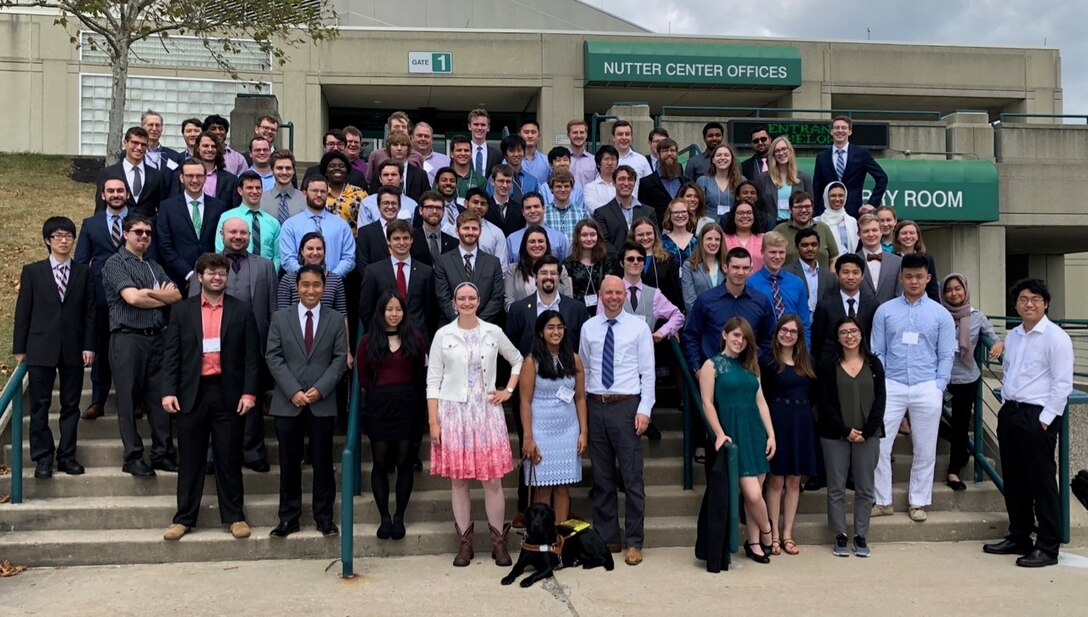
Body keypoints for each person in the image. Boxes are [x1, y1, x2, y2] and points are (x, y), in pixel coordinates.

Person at [160, 253, 260, 541]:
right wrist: (168, 391)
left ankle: (234, 516)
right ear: (200, 277)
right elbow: (172, 356)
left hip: (228, 392)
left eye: (222, 274)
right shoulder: (182, 311)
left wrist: (250, 392)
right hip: (192, 392)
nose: (217, 278)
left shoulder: (241, 311)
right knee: (190, 458)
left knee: (228, 457)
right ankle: (183, 518)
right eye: (212, 273)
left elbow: (252, 357)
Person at [427, 281, 523, 567]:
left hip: (486, 412)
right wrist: (433, 421)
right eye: (461, 298)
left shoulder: (492, 331)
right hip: (453, 414)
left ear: (478, 301)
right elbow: (433, 380)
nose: (467, 302)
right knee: (459, 482)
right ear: (453, 302)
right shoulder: (443, 335)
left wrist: (508, 390)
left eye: (471, 298)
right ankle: (465, 543)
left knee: (492, 480)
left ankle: (498, 542)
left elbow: (517, 359)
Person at [982, 279, 1073, 568]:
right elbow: (1010, 372)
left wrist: (1045, 421)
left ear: (1045, 303)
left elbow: (1062, 384)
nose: (1029, 303)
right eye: (1023, 299)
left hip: (1038, 416)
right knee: (1015, 479)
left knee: (1042, 482)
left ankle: (1048, 546)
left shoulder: (1056, 337)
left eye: (1035, 299)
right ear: (1015, 304)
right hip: (1011, 412)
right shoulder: (1014, 335)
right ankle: (1019, 535)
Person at [870, 253, 956, 522]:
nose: (914, 281)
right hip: (892, 384)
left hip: (926, 385)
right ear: (901, 278)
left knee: (925, 447)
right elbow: (877, 350)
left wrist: (939, 385)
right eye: (909, 276)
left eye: (919, 276)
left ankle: (918, 501)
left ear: (928, 278)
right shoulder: (885, 311)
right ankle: (882, 500)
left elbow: (946, 354)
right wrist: (882, 382)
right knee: (880, 445)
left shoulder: (940, 314)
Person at [265, 265, 349, 538]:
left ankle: (324, 517)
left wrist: (320, 389)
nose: (311, 290)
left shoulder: (336, 319)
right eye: (305, 285)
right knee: (289, 463)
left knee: (323, 462)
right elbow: (273, 357)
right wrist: (293, 390)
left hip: (321, 401)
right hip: (288, 402)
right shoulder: (280, 317)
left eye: (316, 285)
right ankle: (289, 518)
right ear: (296, 287)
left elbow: (339, 359)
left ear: (324, 288)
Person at [579, 275, 656, 567]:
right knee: (601, 478)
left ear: (625, 295)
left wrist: (645, 409)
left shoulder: (639, 327)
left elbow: (647, 373)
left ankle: (634, 542)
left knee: (632, 478)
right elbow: (584, 368)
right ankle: (607, 537)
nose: (613, 297)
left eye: (618, 292)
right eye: (607, 292)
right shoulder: (589, 327)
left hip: (626, 406)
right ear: (600, 295)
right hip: (597, 405)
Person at [13, 217, 95, 479]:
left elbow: (90, 313)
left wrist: (89, 345)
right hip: (40, 346)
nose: (63, 240)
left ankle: (67, 456)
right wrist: (19, 348)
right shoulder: (33, 271)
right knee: (40, 405)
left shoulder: (84, 272)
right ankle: (43, 458)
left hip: (73, 347)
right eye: (58, 236)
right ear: (48, 240)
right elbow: (23, 311)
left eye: (68, 236)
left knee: (71, 405)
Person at [101, 214, 182, 476]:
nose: (144, 236)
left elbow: (177, 295)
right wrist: (160, 296)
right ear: (126, 234)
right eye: (138, 232)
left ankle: (162, 452)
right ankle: (132, 456)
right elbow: (133, 298)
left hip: (157, 337)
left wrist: (150, 294)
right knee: (127, 398)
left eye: (148, 232)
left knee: (160, 398)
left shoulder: (153, 266)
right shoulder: (114, 264)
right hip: (128, 337)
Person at [697, 317, 776, 565]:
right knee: (752, 494)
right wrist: (719, 433)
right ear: (724, 334)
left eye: (744, 337)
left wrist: (771, 434)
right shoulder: (711, 365)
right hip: (733, 432)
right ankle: (768, 532)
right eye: (735, 335)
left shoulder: (751, 365)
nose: (740, 341)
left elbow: (761, 401)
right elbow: (707, 403)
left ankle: (754, 543)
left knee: (757, 494)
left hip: (755, 432)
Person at [201, 218, 278, 472]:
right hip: (212, 346)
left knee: (250, 397)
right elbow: (193, 305)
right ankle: (213, 453)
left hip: (252, 344)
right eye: (232, 232)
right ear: (221, 233)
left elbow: (272, 309)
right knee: (212, 400)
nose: (238, 236)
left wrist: (270, 346)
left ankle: (252, 450)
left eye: (243, 232)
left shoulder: (265, 266)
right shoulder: (206, 266)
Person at [358, 291, 427, 541]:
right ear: (381, 312)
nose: (394, 314)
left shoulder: (415, 338)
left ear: (404, 312)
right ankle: (384, 517)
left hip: (408, 403)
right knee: (380, 462)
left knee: (404, 462)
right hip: (380, 404)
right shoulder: (368, 340)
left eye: (398, 309)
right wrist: (379, 392)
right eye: (389, 309)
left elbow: (419, 371)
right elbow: (364, 376)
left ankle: (399, 516)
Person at [817, 316, 886, 558]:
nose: (849, 336)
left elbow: (880, 401)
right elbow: (824, 402)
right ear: (837, 337)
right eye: (844, 332)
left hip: (868, 436)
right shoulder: (828, 365)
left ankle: (860, 535)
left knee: (865, 488)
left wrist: (866, 431)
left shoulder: (874, 364)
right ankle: (840, 535)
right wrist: (845, 430)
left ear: (861, 334)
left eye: (853, 331)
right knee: (836, 487)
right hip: (835, 435)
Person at [520, 310, 588, 525]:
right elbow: (524, 401)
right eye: (550, 327)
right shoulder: (532, 362)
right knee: (543, 487)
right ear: (541, 332)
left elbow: (579, 398)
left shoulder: (575, 360)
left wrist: (583, 432)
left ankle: (560, 539)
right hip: (541, 431)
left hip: (568, 430)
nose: (556, 331)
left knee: (563, 487)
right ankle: (543, 540)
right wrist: (528, 437)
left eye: (559, 327)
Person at [939, 274, 1003, 491]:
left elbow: (994, 337)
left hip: (966, 377)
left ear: (965, 291)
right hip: (939, 376)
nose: (953, 293)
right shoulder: (937, 313)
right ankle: (964, 448)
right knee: (923, 417)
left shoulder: (977, 317)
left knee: (960, 423)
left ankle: (954, 470)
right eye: (949, 290)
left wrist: (998, 346)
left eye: (958, 289)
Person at [761, 315, 818, 556]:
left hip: (802, 421)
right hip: (777, 420)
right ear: (777, 333)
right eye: (784, 330)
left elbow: (815, 393)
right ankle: (773, 535)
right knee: (775, 480)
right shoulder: (768, 361)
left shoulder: (808, 360)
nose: (787, 335)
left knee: (794, 480)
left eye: (793, 331)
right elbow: (761, 395)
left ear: (799, 335)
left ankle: (788, 534)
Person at [75, 176, 129, 421]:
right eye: (111, 191)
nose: (116, 194)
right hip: (100, 297)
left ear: (127, 194)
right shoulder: (91, 224)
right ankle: (98, 400)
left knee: (131, 351)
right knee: (101, 348)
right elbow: (81, 262)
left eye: (120, 190)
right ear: (103, 195)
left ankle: (136, 400)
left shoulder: (142, 222)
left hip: (133, 296)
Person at [683, 247, 776, 370]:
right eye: (736, 267)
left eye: (745, 268)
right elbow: (691, 336)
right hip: (714, 373)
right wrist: (697, 369)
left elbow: (769, 337)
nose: (741, 272)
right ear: (725, 268)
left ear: (751, 270)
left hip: (748, 372)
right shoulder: (705, 300)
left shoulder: (761, 301)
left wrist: (758, 363)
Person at [157, 158, 229, 293]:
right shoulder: (167, 207)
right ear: (181, 178)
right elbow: (165, 246)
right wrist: (189, 274)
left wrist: (209, 273)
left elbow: (220, 243)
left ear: (205, 178)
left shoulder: (219, 206)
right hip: (178, 280)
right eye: (190, 176)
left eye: (199, 176)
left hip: (212, 279)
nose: (195, 180)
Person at [359, 220, 437, 339]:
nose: (402, 242)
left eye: (406, 238)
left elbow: (430, 311)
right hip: (383, 339)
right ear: (388, 241)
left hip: (417, 339)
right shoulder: (373, 271)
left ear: (412, 240)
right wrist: (377, 335)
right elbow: (366, 310)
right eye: (396, 238)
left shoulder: (426, 272)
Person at [434, 211, 505, 325]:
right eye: (466, 228)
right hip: (452, 327)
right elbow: (443, 298)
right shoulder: (443, 261)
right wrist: (461, 322)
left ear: (480, 231)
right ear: (457, 231)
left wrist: (477, 323)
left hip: (485, 328)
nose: (470, 232)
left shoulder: (493, 262)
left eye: (474, 228)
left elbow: (497, 298)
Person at [278, 175, 356, 277]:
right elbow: (288, 259)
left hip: (334, 285)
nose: (319, 195)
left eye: (323, 191)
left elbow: (349, 258)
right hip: (301, 285)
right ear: (304, 194)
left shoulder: (341, 225)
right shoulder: (290, 225)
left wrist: (331, 278)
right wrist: (308, 277)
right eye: (314, 191)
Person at [813, 115, 888, 217]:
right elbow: (817, 188)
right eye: (836, 127)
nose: (840, 130)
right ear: (831, 131)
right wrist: (815, 213)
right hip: (826, 212)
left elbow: (882, 178)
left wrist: (872, 204)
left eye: (843, 128)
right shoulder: (822, 157)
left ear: (850, 131)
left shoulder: (861, 154)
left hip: (852, 211)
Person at [811, 253, 877, 365]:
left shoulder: (873, 305)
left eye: (855, 272)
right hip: (831, 366)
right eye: (845, 272)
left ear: (862, 276)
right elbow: (817, 340)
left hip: (863, 365)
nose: (850, 277)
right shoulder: (825, 305)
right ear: (837, 275)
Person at [746, 232, 811, 346]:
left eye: (781, 252)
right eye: (772, 252)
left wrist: (805, 354)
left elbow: (804, 323)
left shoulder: (797, 283)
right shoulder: (751, 284)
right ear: (762, 252)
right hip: (764, 347)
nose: (777, 257)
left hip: (793, 347)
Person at [214, 171, 282, 270]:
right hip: (234, 275)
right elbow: (220, 251)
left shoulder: (273, 222)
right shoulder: (227, 217)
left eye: (258, 188)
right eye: (249, 188)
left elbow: (277, 256)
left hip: (265, 276)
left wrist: (270, 274)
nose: (254, 191)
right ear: (240, 190)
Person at [95, 126, 167, 218]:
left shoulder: (157, 175)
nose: (139, 148)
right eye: (135, 143)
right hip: (118, 227)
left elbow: (162, 209)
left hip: (148, 229)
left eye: (143, 144)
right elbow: (101, 207)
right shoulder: (107, 173)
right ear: (125, 143)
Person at [276, 232, 347, 315]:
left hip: (328, 327)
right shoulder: (288, 280)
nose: (315, 253)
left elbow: (342, 315)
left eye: (319, 249)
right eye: (310, 248)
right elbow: (282, 316)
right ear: (302, 251)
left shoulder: (336, 280)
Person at [504, 227, 571, 311]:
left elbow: (568, 302)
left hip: (555, 321)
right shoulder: (512, 270)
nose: (537, 245)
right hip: (524, 321)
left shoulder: (561, 269)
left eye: (541, 241)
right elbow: (508, 304)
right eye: (532, 242)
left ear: (547, 244)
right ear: (525, 245)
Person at [593, 165, 657, 254]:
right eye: (622, 179)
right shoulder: (601, 213)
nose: (626, 183)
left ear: (634, 183)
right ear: (614, 183)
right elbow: (603, 242)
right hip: (614, 264)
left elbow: (656, 240)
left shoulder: (649, 212)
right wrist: (624, 259)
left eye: (630, 179)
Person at [629, 217, 683, 313]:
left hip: (662, 315)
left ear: (655, 235)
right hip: (634, 315)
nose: (645, 238)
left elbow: (674, 292)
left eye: (649, 234)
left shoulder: (667, 259)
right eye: (640, 235)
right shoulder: (626, 260)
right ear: (633, 237)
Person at [773, 191, 840, 269]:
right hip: (789, 280)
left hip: (821, 280)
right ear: (790, 209)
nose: (804, 210)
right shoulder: (779, 230)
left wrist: (831, 279)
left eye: (808, 206)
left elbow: (834, 259)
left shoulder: (824, 228)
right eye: (799, 207)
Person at [784, 228, 840, 321]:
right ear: (796, 248)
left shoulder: (830, 277)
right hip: (796, 326)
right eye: (804, 245)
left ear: (819, 246)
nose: (810, 248)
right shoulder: (786, 273)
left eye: (814, 245)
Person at [563, 219, 615, 316]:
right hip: (577, 312)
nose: (589, 238)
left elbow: (608, 289)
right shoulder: (569, 262)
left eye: (592, 234)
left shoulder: (605, 261)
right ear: (577, 237)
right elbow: (569, 295)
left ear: (598, 236)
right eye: (584, 235)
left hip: (601, 312)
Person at [758, 136, 814, 227]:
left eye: (784, 149)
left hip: (797, 226)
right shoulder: (763, 178)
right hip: (772, 227)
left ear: (790, 151)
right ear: (773, 155)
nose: (781, 153)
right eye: (777, 151)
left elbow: (810, 207)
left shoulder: (804, 178)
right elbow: (759, 207)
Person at [505, 192, 570, 263]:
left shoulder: (559, 238)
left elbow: (565, 267)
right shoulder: (512, 240)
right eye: (528, 208)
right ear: (523, 212)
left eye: (536, 206)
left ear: (544, 208)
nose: (532, 211)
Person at [855, 213, 902, 305]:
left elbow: (900, 294)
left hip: (890, 315)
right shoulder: (851, 261)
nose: (871, 234)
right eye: (866, 231)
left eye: (874, 230)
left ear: (881, 232)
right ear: (859, 234)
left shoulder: (897, 262)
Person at [637, 138, 684, 223]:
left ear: (677, 154)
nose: (669, 153)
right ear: (658, 155)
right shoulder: (646, 183)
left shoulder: (685, 183)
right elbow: (643, 212)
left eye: (672, 150)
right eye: (665, 150)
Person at [681, 223, 725, 314]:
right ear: (701, 241)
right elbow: (690, 301)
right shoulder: (689, 266)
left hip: (724, 321)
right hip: (698, 321)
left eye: (717, 239)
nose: (713, 243)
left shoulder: (728, 264)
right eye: (709, 239)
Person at [893, 220, 940, 301]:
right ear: (897, 237)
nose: (908, 236)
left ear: (917, 236)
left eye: (911, 233)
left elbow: (933, 290)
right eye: (904, 233)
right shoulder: (891, 259)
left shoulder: (928, 259)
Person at [321, 151, 368, 230]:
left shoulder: (360, 194)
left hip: (353, 240)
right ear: (325, 172)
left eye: (341, 166)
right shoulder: (319, 192)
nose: (337, 168)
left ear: (347, 171)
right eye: (332, 166)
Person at [697, 145, 744, 221]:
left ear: (732, 159)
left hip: (733, 225)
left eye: (726, 155)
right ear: (713, 160)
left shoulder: (741, 180)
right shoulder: (703, 181)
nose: (722, 158)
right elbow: (698, 207)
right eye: (718, 155)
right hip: (708, 225)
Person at [260, 150, 307, 224]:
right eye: (279, 168)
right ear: (272, 170)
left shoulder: (304, 199)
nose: (284, 172)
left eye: (288, 168)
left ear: (293, 171)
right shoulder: (261, 200)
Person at [815, 181, 858, 257]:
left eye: (841, 195)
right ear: (826, 197)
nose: (837, 199)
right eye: (833, 196)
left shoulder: (852, 221)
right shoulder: (817, 222)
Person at [722, 199, 765, 273]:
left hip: (758, 283)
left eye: (749, 213)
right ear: (733, 216)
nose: (745, 216)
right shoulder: (723, 239)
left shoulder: (764, 238)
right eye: (740, 213)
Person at [661, 198, 697, 270]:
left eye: (683, 212)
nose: (680, 215)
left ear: (689, 214)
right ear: (669, 215)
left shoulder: (697, 241)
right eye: (676, 212)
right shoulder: (661, 241)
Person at [583, 145, 619, 213]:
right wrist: (616, 212)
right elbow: (592, 208)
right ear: (598, 164)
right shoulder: (590, 187)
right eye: (606, 159)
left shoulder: (622, 185)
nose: (610, 163)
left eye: (613, 159)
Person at [468, 108, 502, 177]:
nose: (479, 128)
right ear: (469, 126)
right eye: (476, 124)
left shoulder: (497, 155)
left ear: (488, 128)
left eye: (483, 125)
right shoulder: (462, 153)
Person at [566, 119, 597, 188]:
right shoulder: (561, 160)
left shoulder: (594, 161)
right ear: (568, 135)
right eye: (575, 132)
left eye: (582, 132)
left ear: (586, 135)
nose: (579, 136)